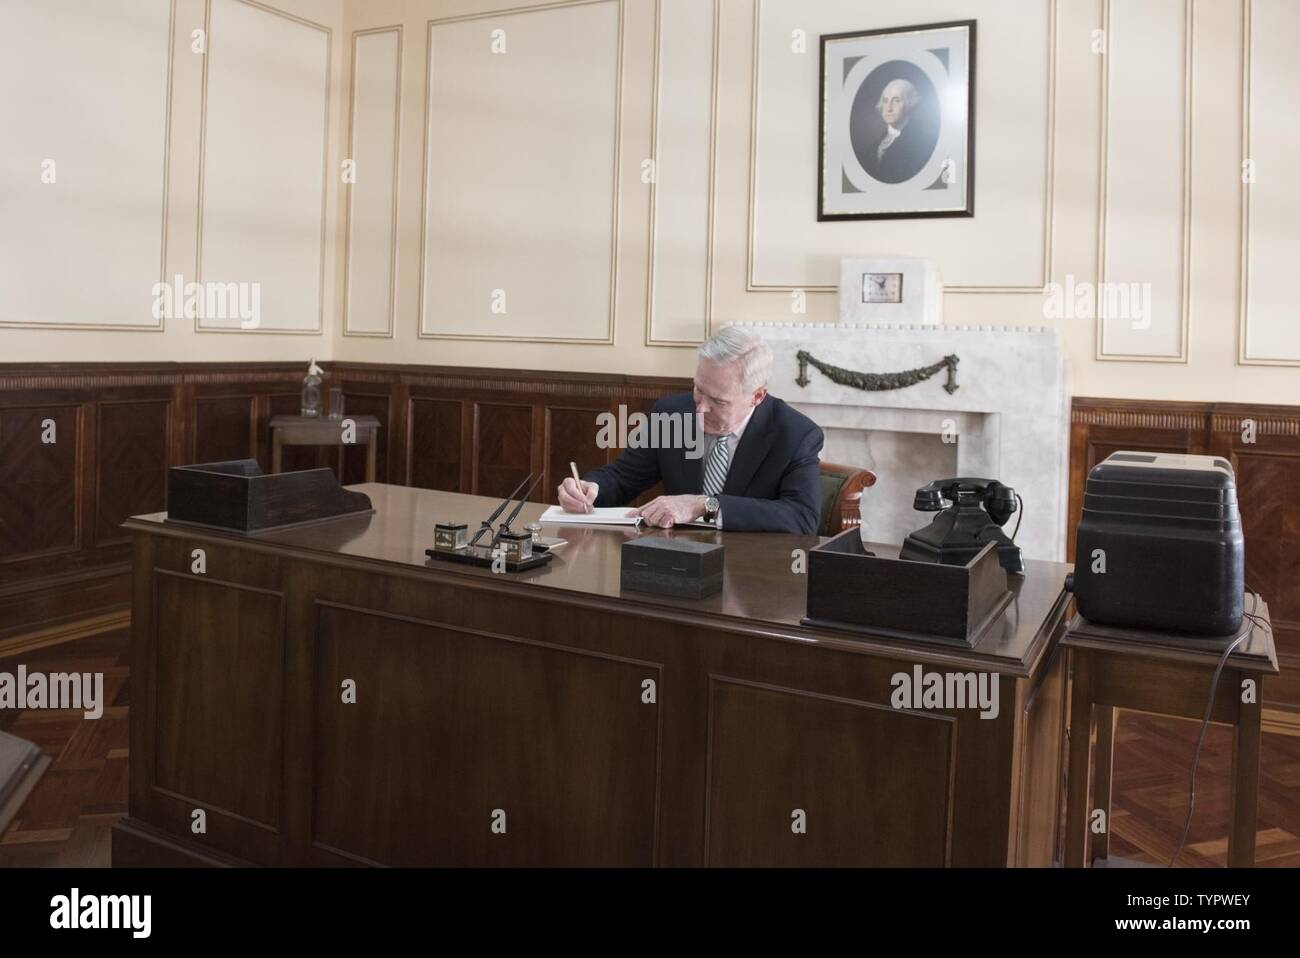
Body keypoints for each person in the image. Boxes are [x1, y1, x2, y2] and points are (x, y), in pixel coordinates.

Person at [556, 327, 824, 533]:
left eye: (718, 401)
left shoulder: (795, 435)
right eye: (698, 389)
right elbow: (624, 476)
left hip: (752, 574)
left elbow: (802, 516)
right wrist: (590, 488)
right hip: (679, 561)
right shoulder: (672, 413)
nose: (700, 409)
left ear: (757, 396)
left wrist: (704, 505)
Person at [861, 78, 930, 184]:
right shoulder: (873, 147)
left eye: (896, 100)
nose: (888, 108)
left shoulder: (922, 143)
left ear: (909, 104)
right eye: (885, 101)